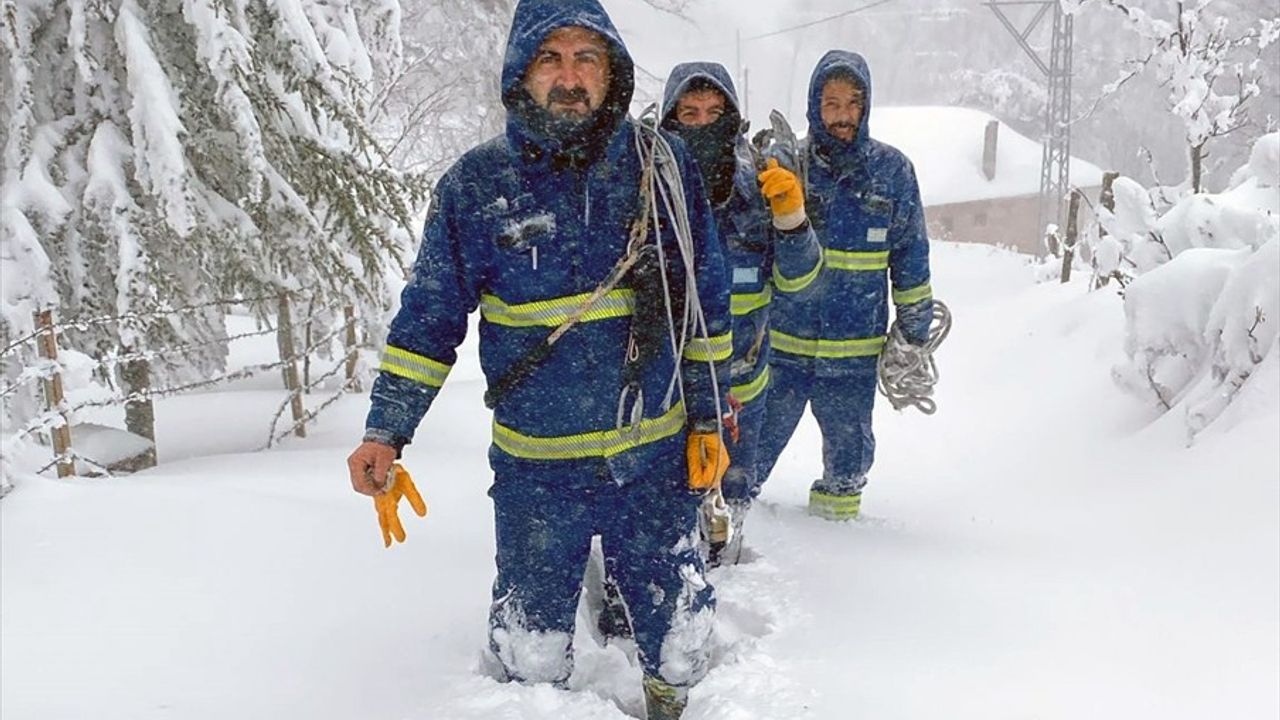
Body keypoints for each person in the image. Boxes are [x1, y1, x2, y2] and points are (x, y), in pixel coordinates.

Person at [344, 1, 733, 717]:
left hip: (652, 460)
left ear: (612, 71)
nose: (570, 77)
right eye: (550, 58)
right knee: (531, 657)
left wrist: (709, 417)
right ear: (521, 71)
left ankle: (669, 704)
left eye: (587, 58)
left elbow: (705, 299)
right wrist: (386, 430)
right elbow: (429, 317)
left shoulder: (662, 166)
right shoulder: (475, 186)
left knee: (680, 643)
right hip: (537, 476)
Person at [754, 50, 934, 522]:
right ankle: (732, 524)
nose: (842, 116)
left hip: (854, 355)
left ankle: (838, 539)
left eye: (853, 103)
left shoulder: (892, 173)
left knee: (848, 463)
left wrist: (914, 332)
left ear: (866, 106)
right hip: (783, 349)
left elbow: (911, 258)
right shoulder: (788, 167)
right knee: (751, 452)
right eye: (831, 104)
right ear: (814, 106)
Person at [658, 62, 821, 563]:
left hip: (741, 394)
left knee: (729, 507)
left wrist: (793, 222)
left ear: (733, 120)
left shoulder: (759, 189)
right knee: (664, 518)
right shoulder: (649, 191)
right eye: (689, 114)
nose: (702, 124)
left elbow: (800, 284)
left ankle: (723, 568)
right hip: (666, 397)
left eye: (714, 113)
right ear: (669, 122)